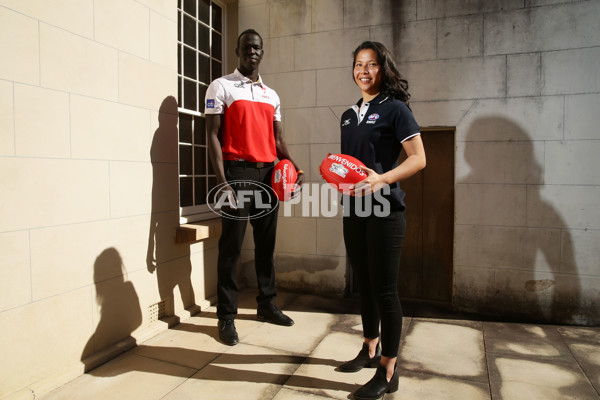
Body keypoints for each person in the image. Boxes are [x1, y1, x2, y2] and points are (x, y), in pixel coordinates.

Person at [338, 41, 426, 400]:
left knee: (386, 291)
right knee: (365, 285)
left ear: (383, 69)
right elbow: (349, 165)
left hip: (386, 210)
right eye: (358, 64)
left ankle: (388, 368)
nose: (363, 70)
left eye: (371, 64)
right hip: (355, 211)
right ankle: (370, 347)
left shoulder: (396, 110)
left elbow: (419, 159)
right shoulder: (347, 114)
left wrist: (382, 179)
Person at [205, 29, 304, 346]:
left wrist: (294, 168)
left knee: (266, 245)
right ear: (238, 49)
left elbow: (278, 141)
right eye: (247, 46)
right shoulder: (220, 87)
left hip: (268, 177)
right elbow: (212, 137)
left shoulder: (271, 95)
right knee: (231, 249)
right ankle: (226, 317)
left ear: (263, 53)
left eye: (258, 47)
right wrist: (222, 183)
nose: (253, 51)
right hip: (237, 174)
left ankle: (267, 304)